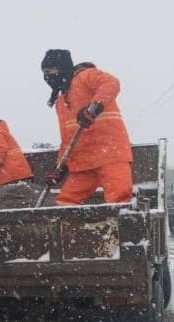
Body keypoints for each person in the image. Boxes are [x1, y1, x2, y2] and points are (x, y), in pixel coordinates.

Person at [40, 49, 134, 205]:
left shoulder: (86, 76)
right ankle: (72, 230)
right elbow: (67, 140)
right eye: (44, 74)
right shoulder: (61, 103)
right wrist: (59, 168)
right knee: (65, 203)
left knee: (120, 200)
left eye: (50, 71)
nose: (47, 78)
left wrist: (94, 106)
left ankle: (123, 229)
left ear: (61, 68)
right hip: (83, 163)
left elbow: (111, 83)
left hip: (110, 154)